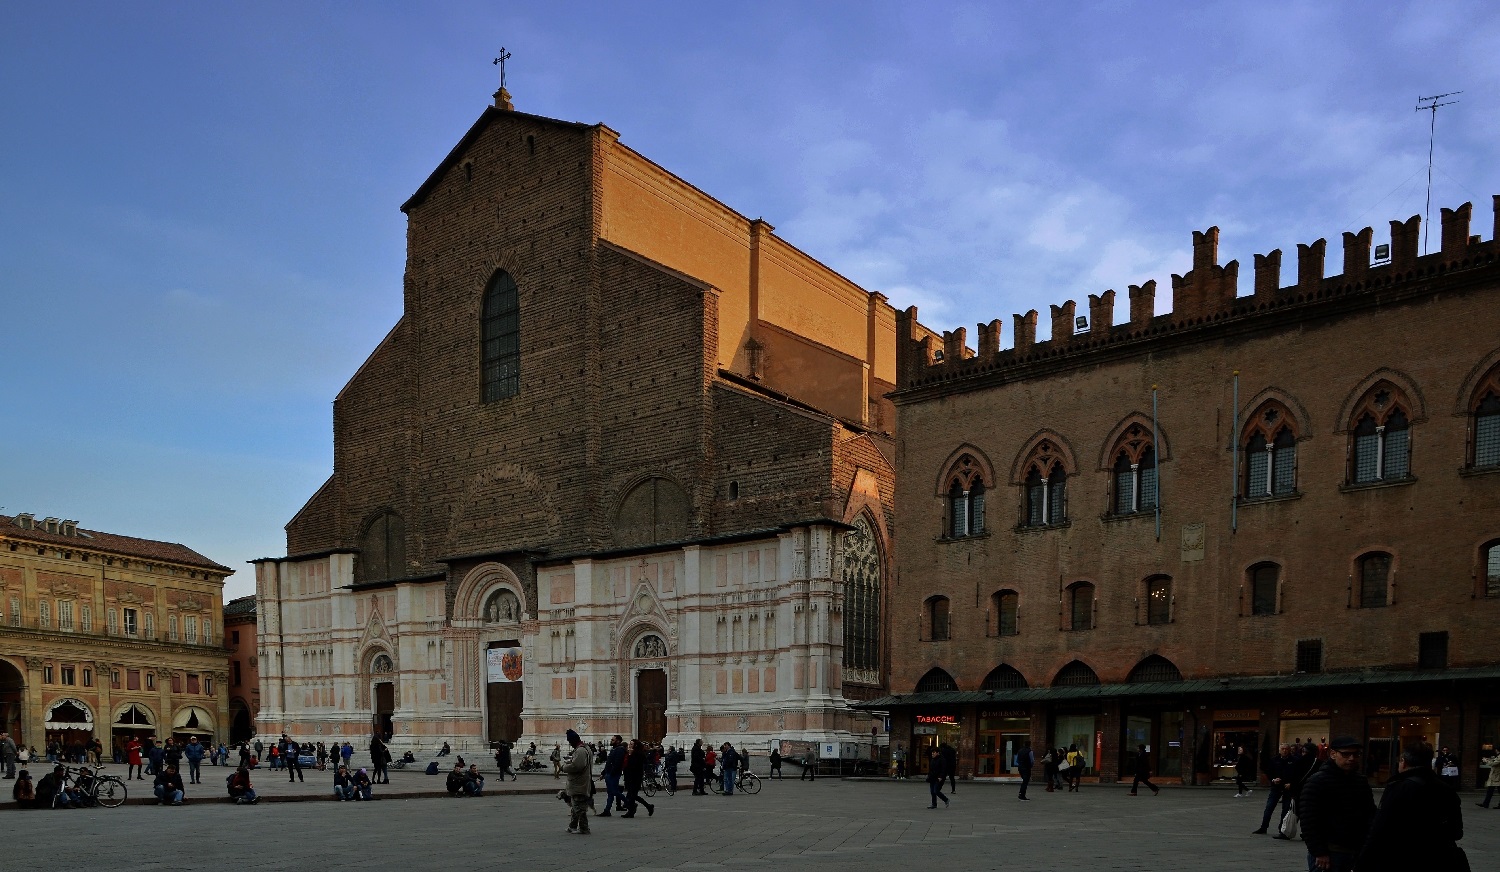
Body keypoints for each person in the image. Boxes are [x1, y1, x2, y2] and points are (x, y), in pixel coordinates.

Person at [1355, 743, 1467, 872]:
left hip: (1404, 859)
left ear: (1403, 762)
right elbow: (1456, 831)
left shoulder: (1399, 787)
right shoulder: (1446, 789)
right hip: (1440, 859)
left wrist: (1362, 862)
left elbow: (1379, 828)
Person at [1299, 735, 1376, 872]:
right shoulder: (1318, 781)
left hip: (1356, 850)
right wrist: (1319, 852)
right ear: (1333, 754)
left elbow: (1370, 813)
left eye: (1356, 754)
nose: (1351, 758)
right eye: (1346, 754)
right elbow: (1308, 819)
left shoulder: (1360, 781)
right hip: (1330, 851)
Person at [1253, 744, 1295, 834]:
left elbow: (1297, 774)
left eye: (1286, 749)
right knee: (1269, 807)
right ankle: (1263, 827)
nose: (1284, 751)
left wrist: (1292, 784)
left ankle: (1282, 829)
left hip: (1287, 787)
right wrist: (1273, 780)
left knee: (1286, 809)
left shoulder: (1294, 760)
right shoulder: (1274, 760)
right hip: (1276, 786)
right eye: (1282, 749)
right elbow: (1269, 772)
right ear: (1279, 750)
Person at [562, 729, 593, 835]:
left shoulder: (580, 750)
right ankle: (572, 826)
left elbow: (577, 766)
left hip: (579, 783)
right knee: (575, 805)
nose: (570, 744)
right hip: (582, 781)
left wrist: (565, 767)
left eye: (570, 742)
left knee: (579, 807)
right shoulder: (586, 749)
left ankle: (584, 828)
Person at [621, 739, 655, 817]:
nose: (629, 745)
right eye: (630, 743)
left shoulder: (638, 754)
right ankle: (648, 806)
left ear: (636, 745)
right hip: (630, 776)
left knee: (632, 795)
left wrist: (630, 755)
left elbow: (633, 765)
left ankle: (631, 811)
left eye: (631, 744)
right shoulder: (633, 753)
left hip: (635, 777)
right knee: (632, 795)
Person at [599, 735, 625, 815]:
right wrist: (603, 773)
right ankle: (607, 810)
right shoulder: (614, 749)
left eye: (613, 740)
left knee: (614, 791)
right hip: (609, 773)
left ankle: (629, 803)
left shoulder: (620, 750)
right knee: (610, 793)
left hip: (613, 774)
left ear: (618, 741)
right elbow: (608, 763)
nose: (611, 741)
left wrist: (611, 773)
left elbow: (617, 763)